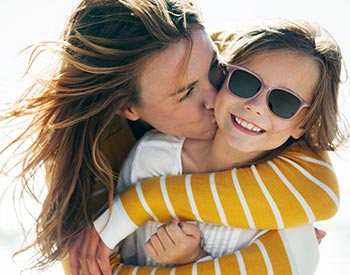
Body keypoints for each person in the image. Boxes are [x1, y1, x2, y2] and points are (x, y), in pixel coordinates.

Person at [0, 0, 343, 274]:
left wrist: (141, 203)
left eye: (214, 68)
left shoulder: (244, 70)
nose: (216, 95)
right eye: (187, 93)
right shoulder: (104, 158)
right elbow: (92, 264)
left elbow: (319, 189)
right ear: (127, 108)